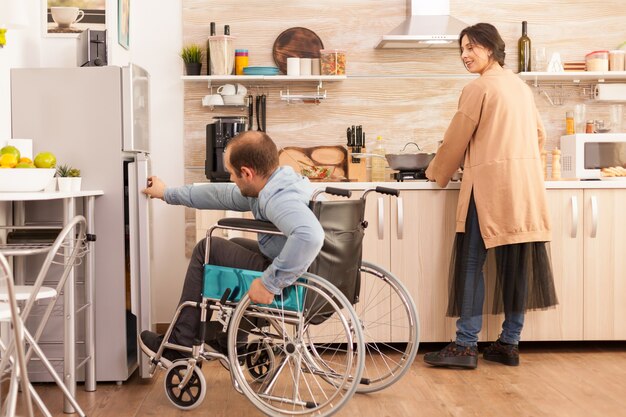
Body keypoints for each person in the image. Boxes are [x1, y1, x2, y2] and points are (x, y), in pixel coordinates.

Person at [423, 23, 558, 369]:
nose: (465, 55)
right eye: (462, 49)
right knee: (516, 267)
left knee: (471, 263)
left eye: (472, 48)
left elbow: (456, 140)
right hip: (524, 187)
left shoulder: (479, 88)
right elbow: (540, 135)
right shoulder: (520, 87)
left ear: (492, 49)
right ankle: (509, 343)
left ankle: (466, 345)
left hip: (488, 188)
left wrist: (435, 172)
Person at [139, 131, 325, 362]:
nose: (232, 180)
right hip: (311, 271)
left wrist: (269, 283)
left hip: (295, 282)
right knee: (235, 245)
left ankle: (179, 345)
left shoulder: (279, 198)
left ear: (247, 173)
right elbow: (220, 195)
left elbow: (310, 236)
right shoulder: (278, 183)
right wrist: (167, 193)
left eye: (232, 174)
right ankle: (233, 340)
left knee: (207, 248)